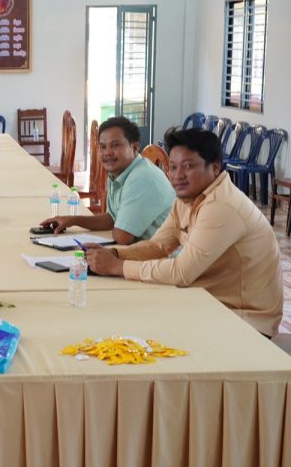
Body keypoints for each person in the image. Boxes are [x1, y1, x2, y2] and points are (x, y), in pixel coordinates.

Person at [86, 128, 283, 337]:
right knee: (124, 311)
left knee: (135, 325)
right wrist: (115, 254)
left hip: (244, 319)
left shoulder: (221, 206)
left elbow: (181, 272)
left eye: (188, 166)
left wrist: (117, 266)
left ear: (215, 167)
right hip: (208, 301)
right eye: (172, 167)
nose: (177, 176)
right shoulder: (187, 198)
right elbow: (158, 246)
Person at [40, 116, 175, 245]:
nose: (107, 152)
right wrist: (72, 220)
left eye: (115, 145)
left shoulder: (142, 178)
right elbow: (112, 218)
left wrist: (117, 228)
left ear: (134, 148)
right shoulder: (118, 172)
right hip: (144, 251)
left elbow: (123, 237)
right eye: (103, 147)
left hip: (164, 257)